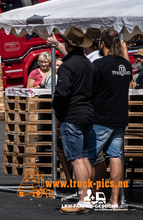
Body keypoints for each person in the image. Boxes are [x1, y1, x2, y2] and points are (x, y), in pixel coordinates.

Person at [52, 26, 95, 214]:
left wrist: (58, 111)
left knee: (77, 159)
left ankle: (84, 199)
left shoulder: (68, 66)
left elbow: (62, 94)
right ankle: (88, 197)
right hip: (87, 114)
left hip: (72, 115)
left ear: (68, 44)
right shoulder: (89, 64)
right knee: (84, 157)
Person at [89, 29, 131, 209]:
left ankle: (89, 197)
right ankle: (114, 199)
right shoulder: (126, 66)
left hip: (100, 118)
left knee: (88, 158)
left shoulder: (98, 64)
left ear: (102, 43)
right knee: (115, 157)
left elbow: (90, 90)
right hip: (119, 118)